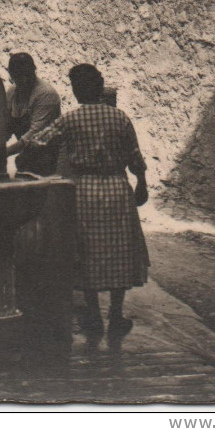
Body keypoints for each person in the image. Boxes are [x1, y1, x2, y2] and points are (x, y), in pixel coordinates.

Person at [19, 63, 149, 337]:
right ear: (100, 88)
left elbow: (37, 141)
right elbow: (135, 158)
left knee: (87, 252)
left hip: (85, 190)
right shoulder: (120, 118)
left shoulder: (70, 120)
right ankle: (115, 315)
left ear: (76, 91)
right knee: (119, 251)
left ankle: (93, 316)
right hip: (117, 189)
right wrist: (142, 183)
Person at [4, 53, 61, 176]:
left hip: (47, 160)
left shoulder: (46, 94)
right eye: (19, 76)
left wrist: (2, 153)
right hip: (26, 157)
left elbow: (33, 135)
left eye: (27, 75)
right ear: (11, 75)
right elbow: (6, 127)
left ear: (34, 71)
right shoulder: (11, 93)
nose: (24, 80)